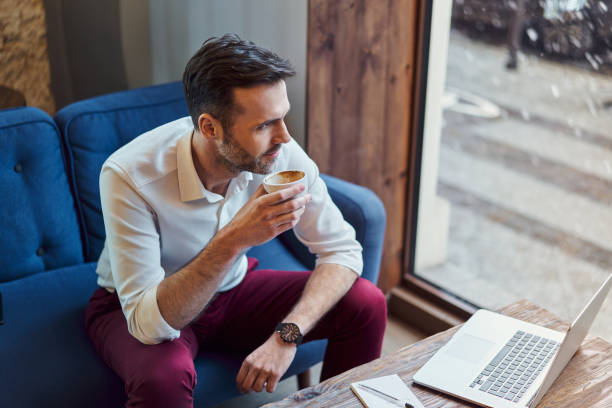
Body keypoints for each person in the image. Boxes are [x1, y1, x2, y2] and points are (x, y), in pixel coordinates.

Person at [84, 34, 387, 408]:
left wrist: (285, 337)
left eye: (283, 117)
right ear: (211, 128)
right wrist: (235, 238)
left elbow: (342, 251)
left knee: (366, 302)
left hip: (232, 290)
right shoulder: (129, 175)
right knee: (162, 379)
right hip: (141, 305)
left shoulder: (280, 153)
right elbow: (149, 324)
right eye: (264, 126)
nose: (285, 137)